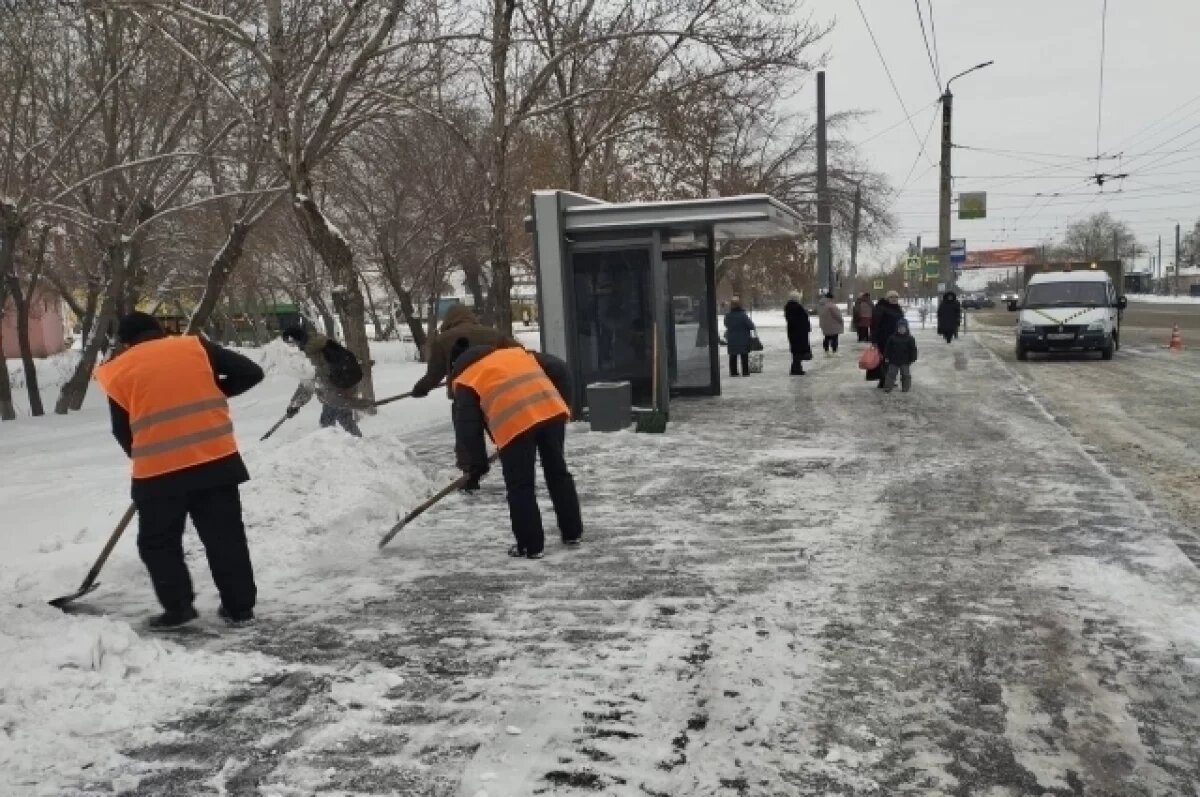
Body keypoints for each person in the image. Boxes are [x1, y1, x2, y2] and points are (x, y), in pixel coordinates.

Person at [93, 312, 264, 629]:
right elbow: (251, 373)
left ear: (126, 343)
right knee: (225, 539)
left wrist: (145, 456)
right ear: (160, 331)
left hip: (159, 474)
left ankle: (179, 608)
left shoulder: (117, 371)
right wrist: (212, 391)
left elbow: (121, 430)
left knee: (158, 544)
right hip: (217, 462)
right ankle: (240, 609)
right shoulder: (194, 346)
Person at [450, 341, 583, 560]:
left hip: (514, 426)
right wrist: (562, 406)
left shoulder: (466, 379)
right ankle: (572, 533)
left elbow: (468, 428)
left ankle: (531, 546)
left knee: (520, 485)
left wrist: (477, 465)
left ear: (458, 364)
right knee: (558, 473)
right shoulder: (516, 353)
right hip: (551, 413)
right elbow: (559, 368)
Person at [411, 305, 516, 399]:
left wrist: (421, 388)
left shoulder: (441, 340)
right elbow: (518, 353)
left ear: (448, 319)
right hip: (494, 392)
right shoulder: (494, 334)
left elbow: (434, 375)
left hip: (463, 396)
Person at [280, 325, 364, 437]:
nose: (290, 348)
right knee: (344, 418)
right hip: (347, 383)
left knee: (327, 423)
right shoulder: (319, 341)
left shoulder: (311, 352)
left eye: (290, 344)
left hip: (336, 389)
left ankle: (341, 448)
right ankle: (358, 444)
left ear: (296, 341)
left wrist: (295, 404)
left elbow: (309, 383)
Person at [870, 291, 906, 389]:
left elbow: (902, 323)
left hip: (896, 339)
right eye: (891, 297)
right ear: (887, 298)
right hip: (884, 338)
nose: (894, 299)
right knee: (885, 360)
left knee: (893, 360)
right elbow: (875, 325)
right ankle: (884, 380)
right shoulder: (881, 308)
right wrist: (874, 339)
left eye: (896, 297)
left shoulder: (897, 308)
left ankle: (888, 380)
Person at [723, 299, 757, 377]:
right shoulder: (743, 315)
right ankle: (745, 371)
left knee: (733, 355)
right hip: (743, 338)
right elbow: (751, 326)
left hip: (732, 338)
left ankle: (733, 372)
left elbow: (726, 324)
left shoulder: (728, 315)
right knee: (744, 355)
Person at [883, 319, 918, 393]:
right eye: (900, 328)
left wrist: (913, 358)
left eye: (903, 328)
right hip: (893, 360)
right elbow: (887, 349)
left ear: (906, 328)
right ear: (897, 328)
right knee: (891, 374)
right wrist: (886, 357)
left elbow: (913, 349)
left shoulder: (910, 339)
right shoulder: (892, 338)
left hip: (905, 361)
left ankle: (905, 388)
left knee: (906, 375)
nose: (901, 329)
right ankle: (888, 387)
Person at [783, 292, 812, 375]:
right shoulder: (797, 308)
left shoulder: (789, 307)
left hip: (793, 332)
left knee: (796, 350)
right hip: (799, 332)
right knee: (798, 350)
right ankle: (796, 368)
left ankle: (796, 367)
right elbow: (801, 320)